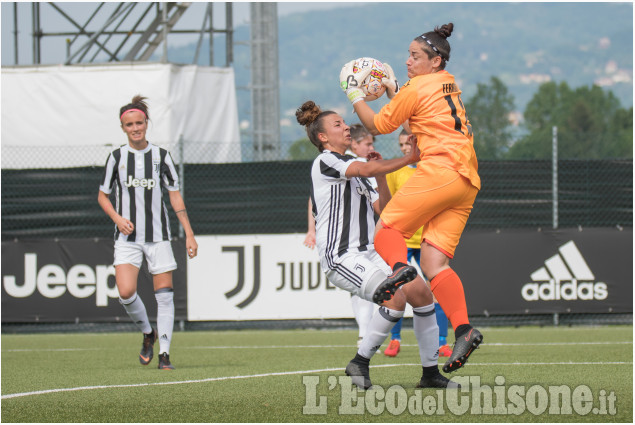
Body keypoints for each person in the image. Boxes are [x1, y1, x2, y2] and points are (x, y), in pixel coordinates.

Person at [339, 22, 483, 374]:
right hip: (467, 179)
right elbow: (415, 116)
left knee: (386, 230)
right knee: (435, 266)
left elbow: (377, 127)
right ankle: (464, 329)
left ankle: (401, 268)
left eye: (415, 56)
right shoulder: (447, 84)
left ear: (435, 61)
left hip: (442, 169)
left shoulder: (418, 85)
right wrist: (394, 91)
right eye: (408, 55)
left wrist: (355, 95)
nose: (407, 61)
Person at [296, 100, 456, 390]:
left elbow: (384, 208)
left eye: (344, 123)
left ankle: (430, 374)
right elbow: (364, 170)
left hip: (370, 252)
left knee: (421, 294)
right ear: (322, 138)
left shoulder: (358, 167)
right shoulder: (327, 162)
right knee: (394, 298)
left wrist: (381, 173)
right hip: (341, 255)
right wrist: (409, 159)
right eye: (338, 125)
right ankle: (360, 360)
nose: (345, 127)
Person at [98, 95, 198, 370]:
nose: (135, 128)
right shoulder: (116, 157)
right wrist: (118, 218)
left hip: (158, 236)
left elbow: (176, 198)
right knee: (126, 292)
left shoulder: (161, 156)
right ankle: (147, 333)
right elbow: (103, 196)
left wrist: (189, 233)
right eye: (129, 124)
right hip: (127, 239)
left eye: (139, 122)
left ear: (146, 123)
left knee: (164, 296)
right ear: (123, 127)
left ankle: (164, 354)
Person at [304, 123, 380, 352]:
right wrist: (311, 229)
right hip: (344, 248)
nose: (370, 147)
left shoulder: (368, 167)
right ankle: (364, 334)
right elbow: (313, 199)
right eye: (366, 143)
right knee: (368, 289)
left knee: (403, 290)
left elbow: (380, 205)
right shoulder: (333, 161)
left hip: (371, 243)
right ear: (354, 145)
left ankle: (371, 338)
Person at [385, 130, 452, 358]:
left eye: (409, 143)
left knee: (436, 291)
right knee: (397, 291)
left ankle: (441, 342)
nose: (405, 148)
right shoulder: (395, 173)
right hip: (402, 241)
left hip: (427, 240)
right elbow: (389, 206)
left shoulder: (431, 170)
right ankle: (395, 340)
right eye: (402, 144)